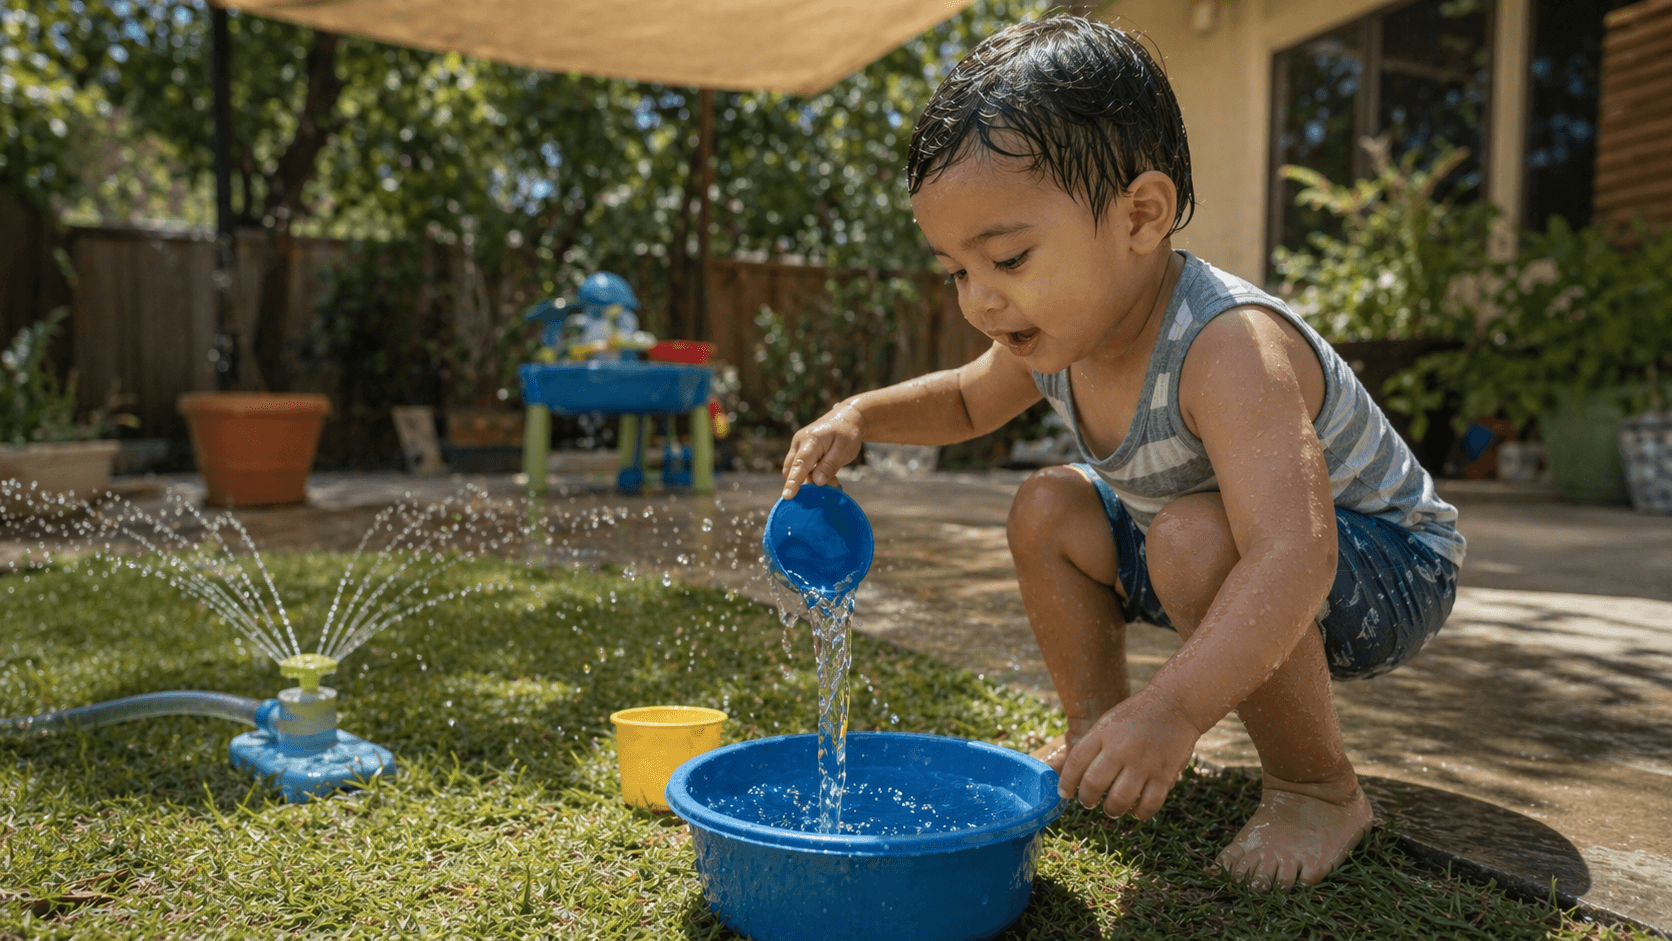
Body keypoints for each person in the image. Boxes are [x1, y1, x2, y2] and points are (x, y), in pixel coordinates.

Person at [777, 13, 1462, 891]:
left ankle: (1317, 786)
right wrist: (859, 417)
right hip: (1223, 545)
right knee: (1049, 506)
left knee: (1188, 537)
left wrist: (1176, 709)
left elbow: (1298, 552)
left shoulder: (1227, 346)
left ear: (1142, 214)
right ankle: (1098, 731)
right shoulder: (1056, 331)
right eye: (957, 271)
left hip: (1386, 566)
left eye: (1010, 257)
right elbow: (960, 400)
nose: (981, 300)